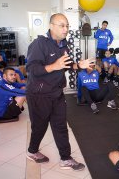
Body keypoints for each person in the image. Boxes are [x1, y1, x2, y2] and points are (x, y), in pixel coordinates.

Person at [26, 13, 94, 170]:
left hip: (56, 93)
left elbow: (68, 65)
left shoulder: (63, 44)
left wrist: (79, 65)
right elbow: (31, 69)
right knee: (40, 126)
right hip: (39, 94)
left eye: (67, 26)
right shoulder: (39, 44)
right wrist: (53, 66)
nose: (66, 29)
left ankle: (65, 158)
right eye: (62, 25)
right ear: (51, 26)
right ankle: (32, 151)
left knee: (60, 125)